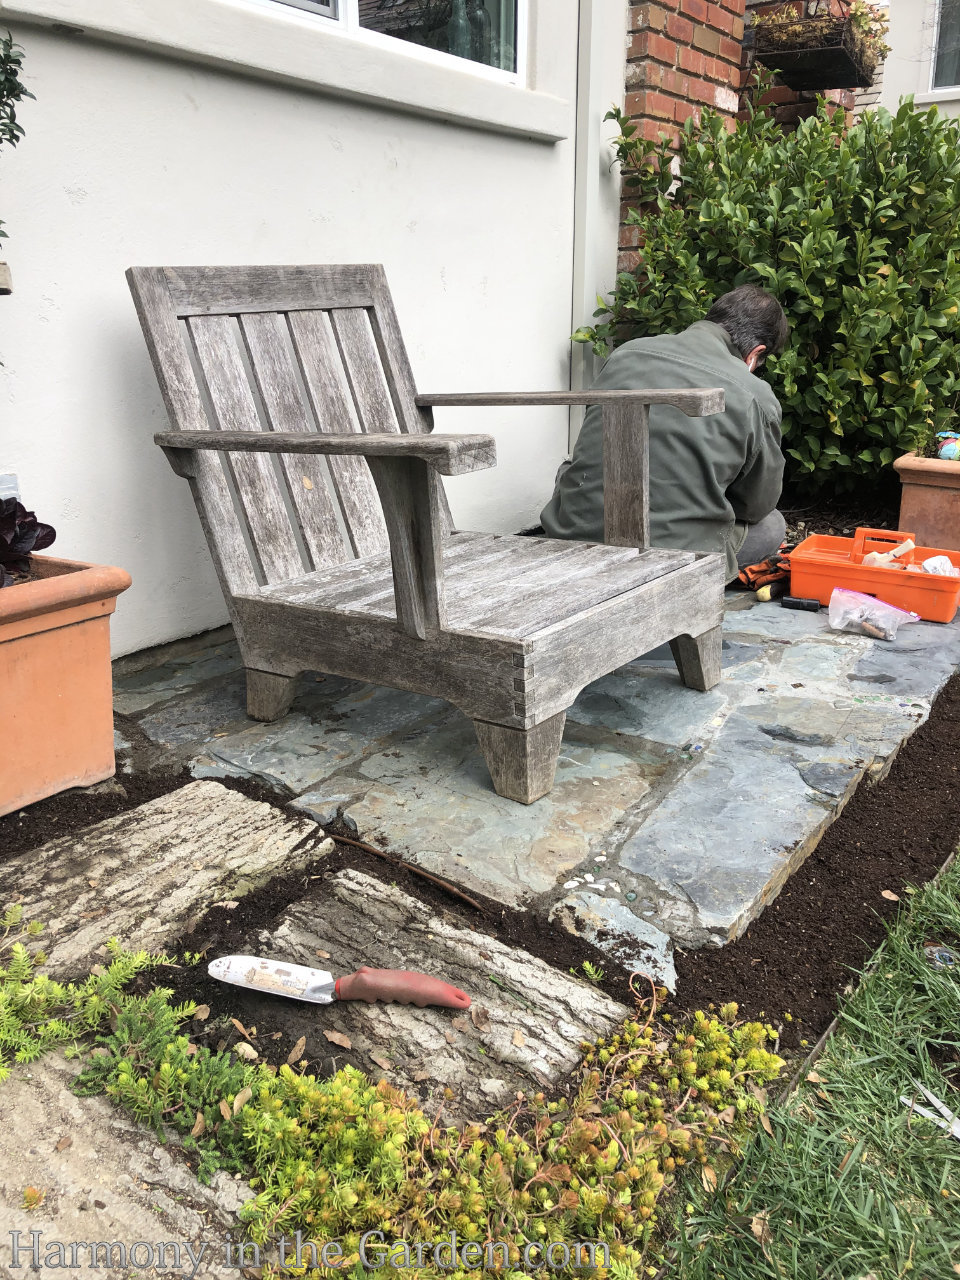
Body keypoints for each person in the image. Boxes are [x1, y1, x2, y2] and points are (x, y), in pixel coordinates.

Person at [540, 285, 789, 583]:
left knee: (569, 468)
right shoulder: (755, 395)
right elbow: (756, 504)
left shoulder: (627, 353)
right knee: (772, 525)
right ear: (755, 354)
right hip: (673, 560)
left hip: (574, 537)